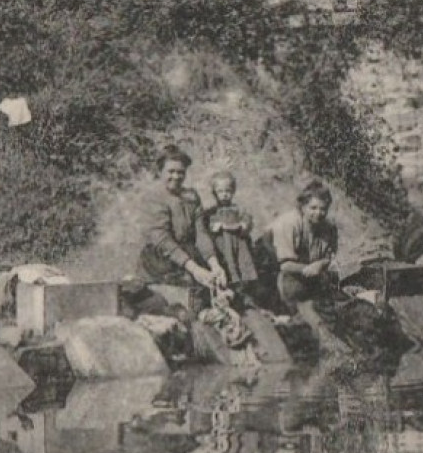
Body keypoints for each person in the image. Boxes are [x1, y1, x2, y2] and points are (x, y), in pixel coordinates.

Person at [264, 181, 350, 358]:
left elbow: (328, 257)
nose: (318, 213)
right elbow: (285, 264)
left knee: (332, 299)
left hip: (308, 270)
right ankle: (325, 343)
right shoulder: (288, 224)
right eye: (313, 208)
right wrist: (310, 268)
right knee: (302, 302)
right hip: (272, 269)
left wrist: (320, 264)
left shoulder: (328, 227)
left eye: (323, 209)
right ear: (302, 207)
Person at [138, 146, 226, 300]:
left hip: (186, 258)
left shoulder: (191, 197)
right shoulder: (154, 198)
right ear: (160, 172)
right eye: (170, 171)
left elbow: (201, 234)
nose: (176, 176)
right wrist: (195, 269)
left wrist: (214, 264)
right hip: (160, 262)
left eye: (181, 172)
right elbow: (162, 241)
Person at [201, 172, 259, 307]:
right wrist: (213, 227)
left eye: (228, 191)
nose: (224, 194)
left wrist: (241, 225)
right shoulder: (211, 212)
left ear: (233, 191)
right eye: (220, 191)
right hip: (223, 247)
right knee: (227, 267)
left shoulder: (238, 209)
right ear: (214, 193)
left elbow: (247, 223)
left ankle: (243, 295)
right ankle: (226, 295)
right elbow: (207, 228)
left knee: (242, 268)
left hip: (239, 246)